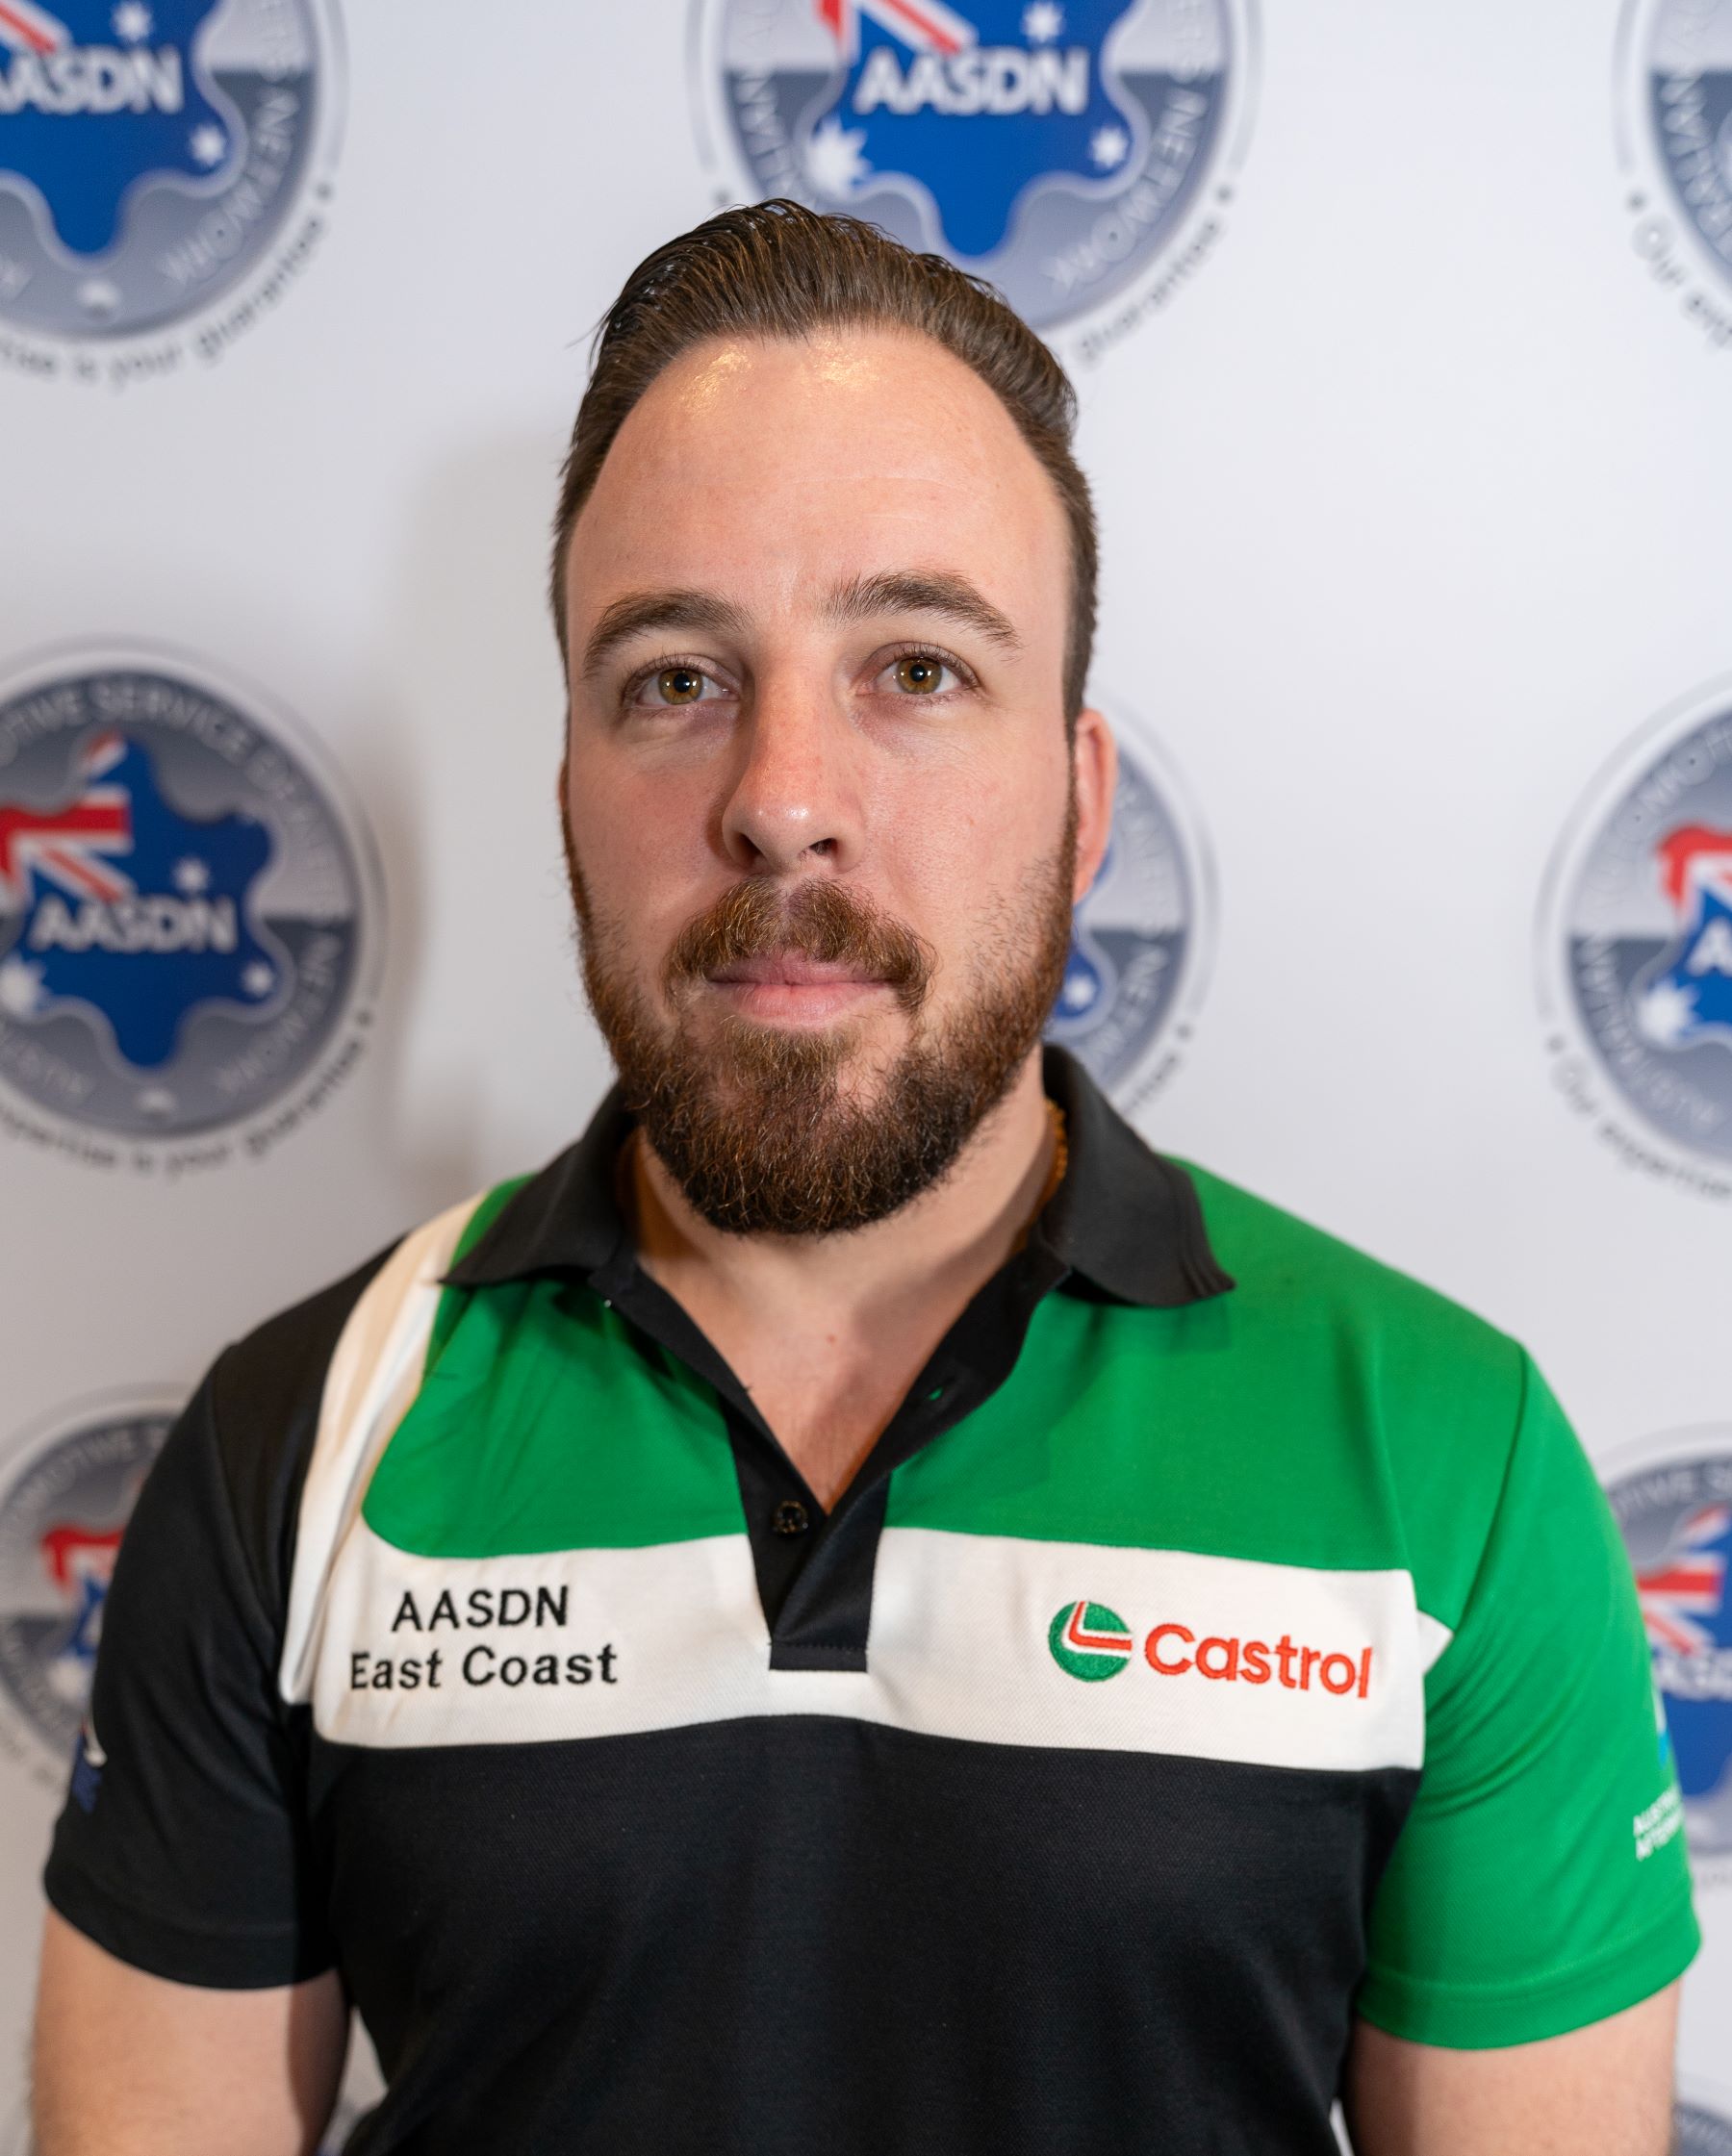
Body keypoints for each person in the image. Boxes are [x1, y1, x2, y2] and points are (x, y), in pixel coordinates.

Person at [31, 202, 1697, 2156]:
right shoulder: (302, 1438)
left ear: (1081, 801)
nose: (782, 797)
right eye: (675, 678)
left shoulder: (1442, 1453)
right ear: (569, 792)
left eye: (914, 665)